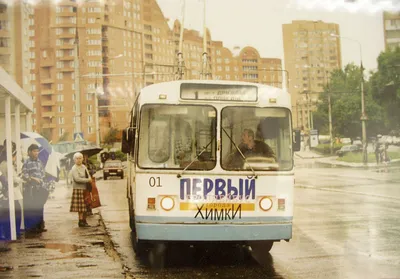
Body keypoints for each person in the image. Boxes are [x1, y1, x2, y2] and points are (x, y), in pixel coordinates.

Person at [22, 144, 49, 233]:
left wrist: (42, 181)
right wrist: (32, 179)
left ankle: (40, 225)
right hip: (31, 189)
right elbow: (24, 175)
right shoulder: (26, 162)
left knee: (40, 207)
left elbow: (43, 173)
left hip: (40, 188)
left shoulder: (39, 162)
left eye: (37, 151)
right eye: (34, 151)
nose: (36, 153)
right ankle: (31, 227)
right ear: (29, 152)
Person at [0, 146, 23, 239]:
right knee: (16, 211)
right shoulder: (7, 165)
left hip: (6, 193)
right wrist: (20, 178)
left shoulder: (2, 164)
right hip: (11, 192)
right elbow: (11, 179)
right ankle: (15, 231)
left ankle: (11, 232)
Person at [70, 152, 92, 228]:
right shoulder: (74, 168)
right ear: (74, 160)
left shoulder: (84, 167)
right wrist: (87, 180)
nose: (78, 160)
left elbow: (88, 176)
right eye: (77, 158)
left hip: (85, 189)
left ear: (82, 159)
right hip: (78, 189)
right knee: (80, 208)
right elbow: (77, 179)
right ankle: (80, 221)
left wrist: (88, 179)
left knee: (85, 206)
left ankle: (84, 221)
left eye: (80, 158)